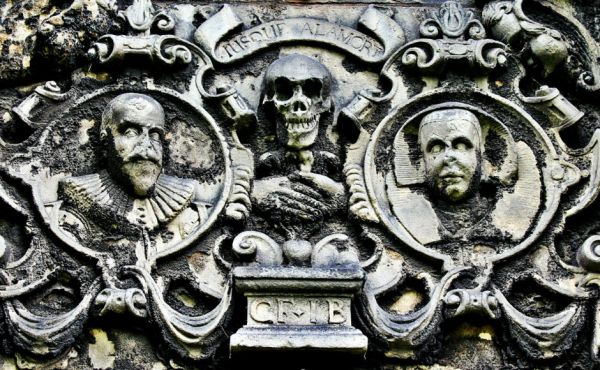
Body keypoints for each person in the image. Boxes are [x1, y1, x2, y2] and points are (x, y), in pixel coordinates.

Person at [56, 93, 215, 245]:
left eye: (154, 135)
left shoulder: (188, 209)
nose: (146, 146)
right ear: (106, 143)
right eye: (131, 133)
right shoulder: (75, 209)